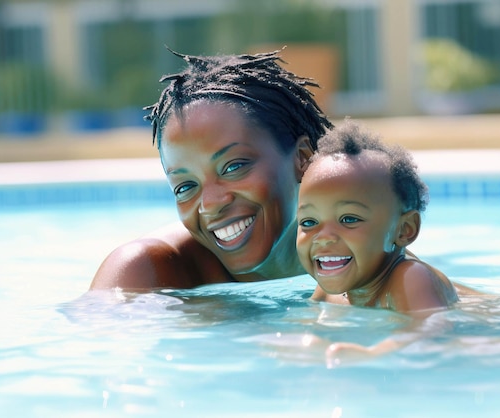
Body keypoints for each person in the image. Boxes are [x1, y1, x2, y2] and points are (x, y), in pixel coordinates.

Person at [90, 48, 333, 291]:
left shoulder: (363, 250)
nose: (211, 204)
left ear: (303, 158)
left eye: (233, 167)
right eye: (185, 187)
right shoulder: (145, 272)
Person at [296, 120, 459, 313]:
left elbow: (427, 332)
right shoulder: (330, 290)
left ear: (405, 229)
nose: (323, 237)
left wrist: (375, 346)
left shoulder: (410, 277)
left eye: (349, 219)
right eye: (309, 222)